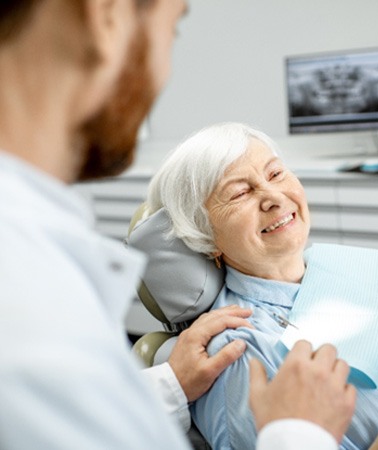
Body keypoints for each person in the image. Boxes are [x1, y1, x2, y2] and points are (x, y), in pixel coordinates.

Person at [0, 1, 355, 449]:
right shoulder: (28, 309)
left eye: (276, 173)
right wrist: (298, 433)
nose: (272, 197)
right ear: (105, 15)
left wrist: (170, 384)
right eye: (174, 27)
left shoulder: (34, 272)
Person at [146, 121, 378, 450]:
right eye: (240, 193)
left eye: (276, 173)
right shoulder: (238, 354)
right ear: (205, 238)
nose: (273, 197)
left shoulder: (361, 260)